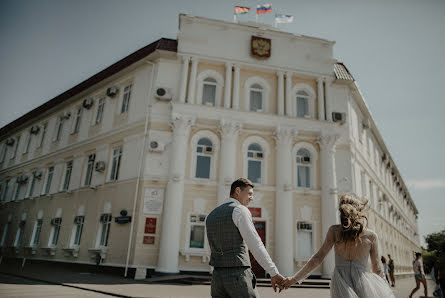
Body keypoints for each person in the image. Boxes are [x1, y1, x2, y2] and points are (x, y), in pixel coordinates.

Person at [282, 193, 394, 298]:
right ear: (359, 211)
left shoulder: (334, 231)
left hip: (341, 283)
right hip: (364, 284)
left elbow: (317, 258)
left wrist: (294, 279)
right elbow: (378, 269)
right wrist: (386, 291)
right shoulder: (371, 236)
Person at [206, 178, 285, 297]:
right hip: (238, 275)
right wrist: (273, 272)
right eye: (249, 193)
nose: (251, 198)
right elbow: (255, 244)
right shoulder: (240, 210)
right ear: (238, 190)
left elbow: (211, 247)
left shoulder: (211, 215)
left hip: (217, 278)